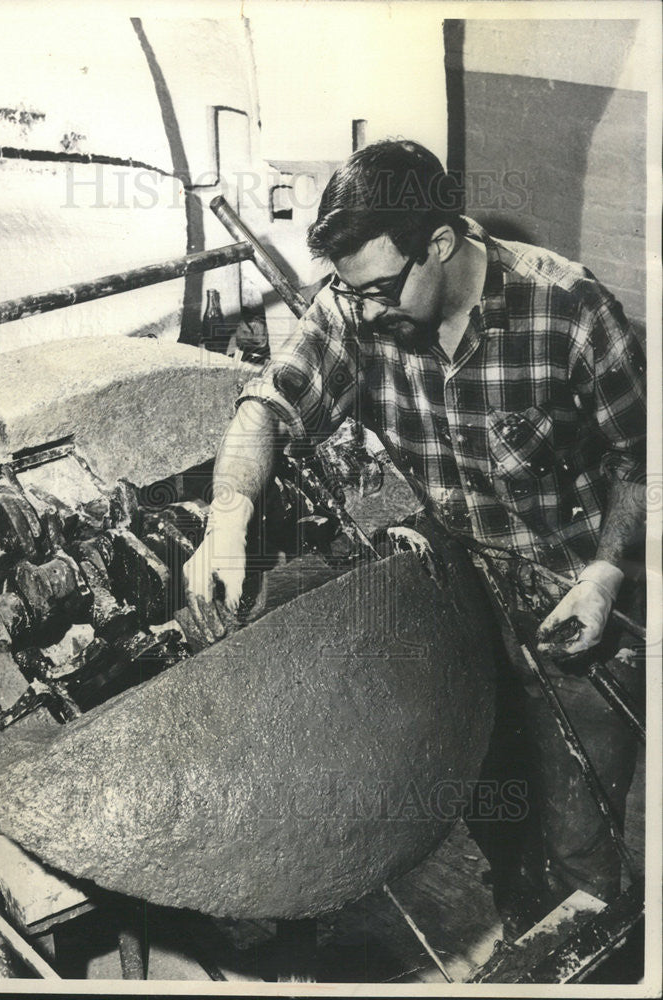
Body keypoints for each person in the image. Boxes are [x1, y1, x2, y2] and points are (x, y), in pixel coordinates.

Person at [183, 140, 647, 924]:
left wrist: (604, 575)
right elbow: (267, 404)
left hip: (571, 600)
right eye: (347, 291)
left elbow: (642, 461)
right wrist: (227, 518)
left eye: (377, 291)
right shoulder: (355, 305)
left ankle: (601, 943)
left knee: (580, 840)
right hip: (459, 592)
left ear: (438, 244)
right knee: (491, 803)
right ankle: (518, 907)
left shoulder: (567, 308)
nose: (361, 311)